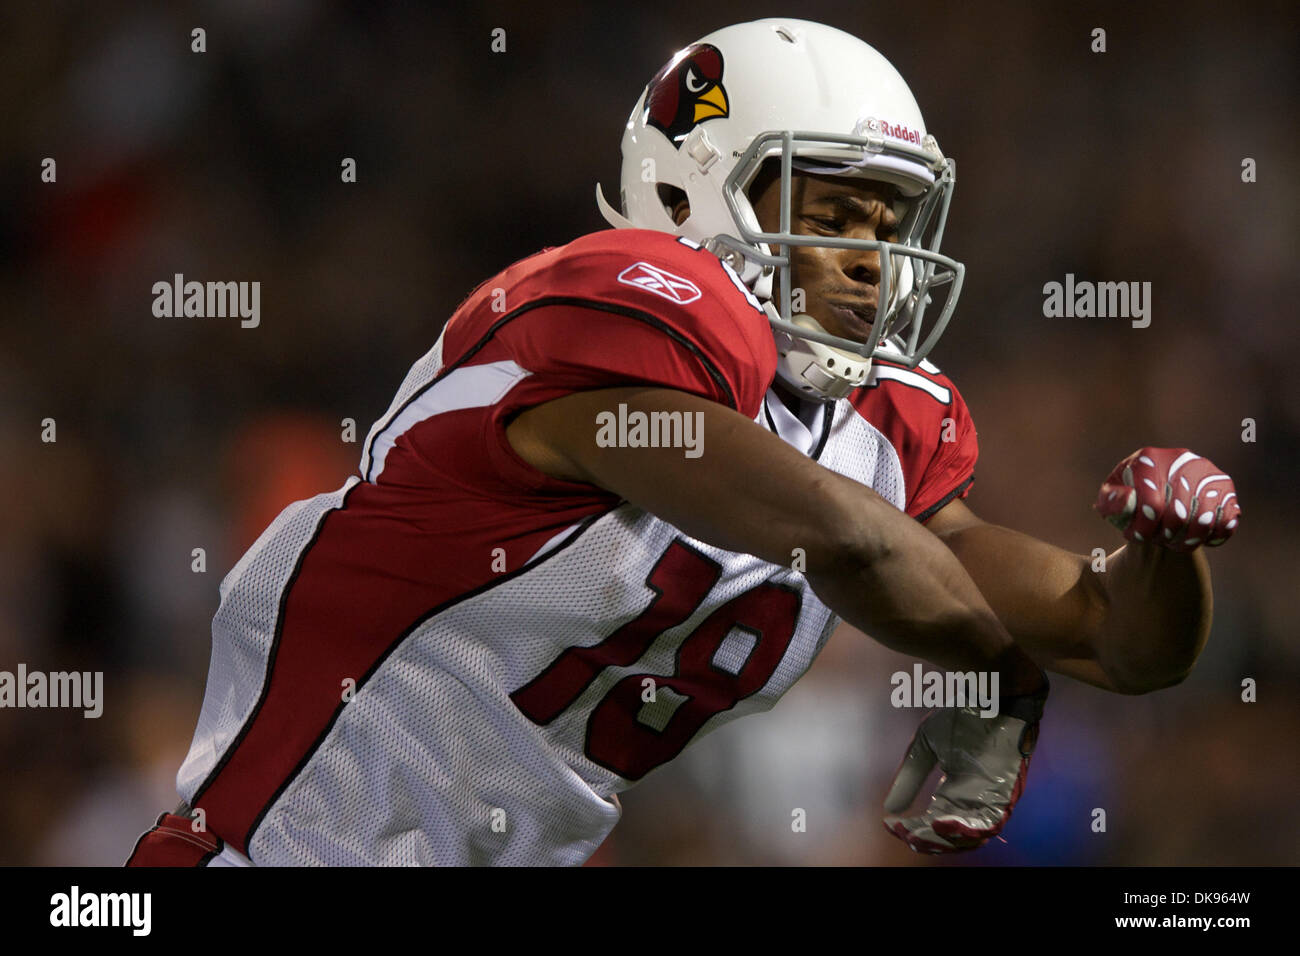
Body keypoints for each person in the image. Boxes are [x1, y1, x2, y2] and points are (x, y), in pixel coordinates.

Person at [125, 18, 1239, 867]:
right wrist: (998, 668)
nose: (870, 259)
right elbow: (843, 542)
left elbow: (1114, 642)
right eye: (833, 213)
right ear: (695, 185)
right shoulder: (622, 298)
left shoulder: (878, 425)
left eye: (890, 227)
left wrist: (1164, 552)